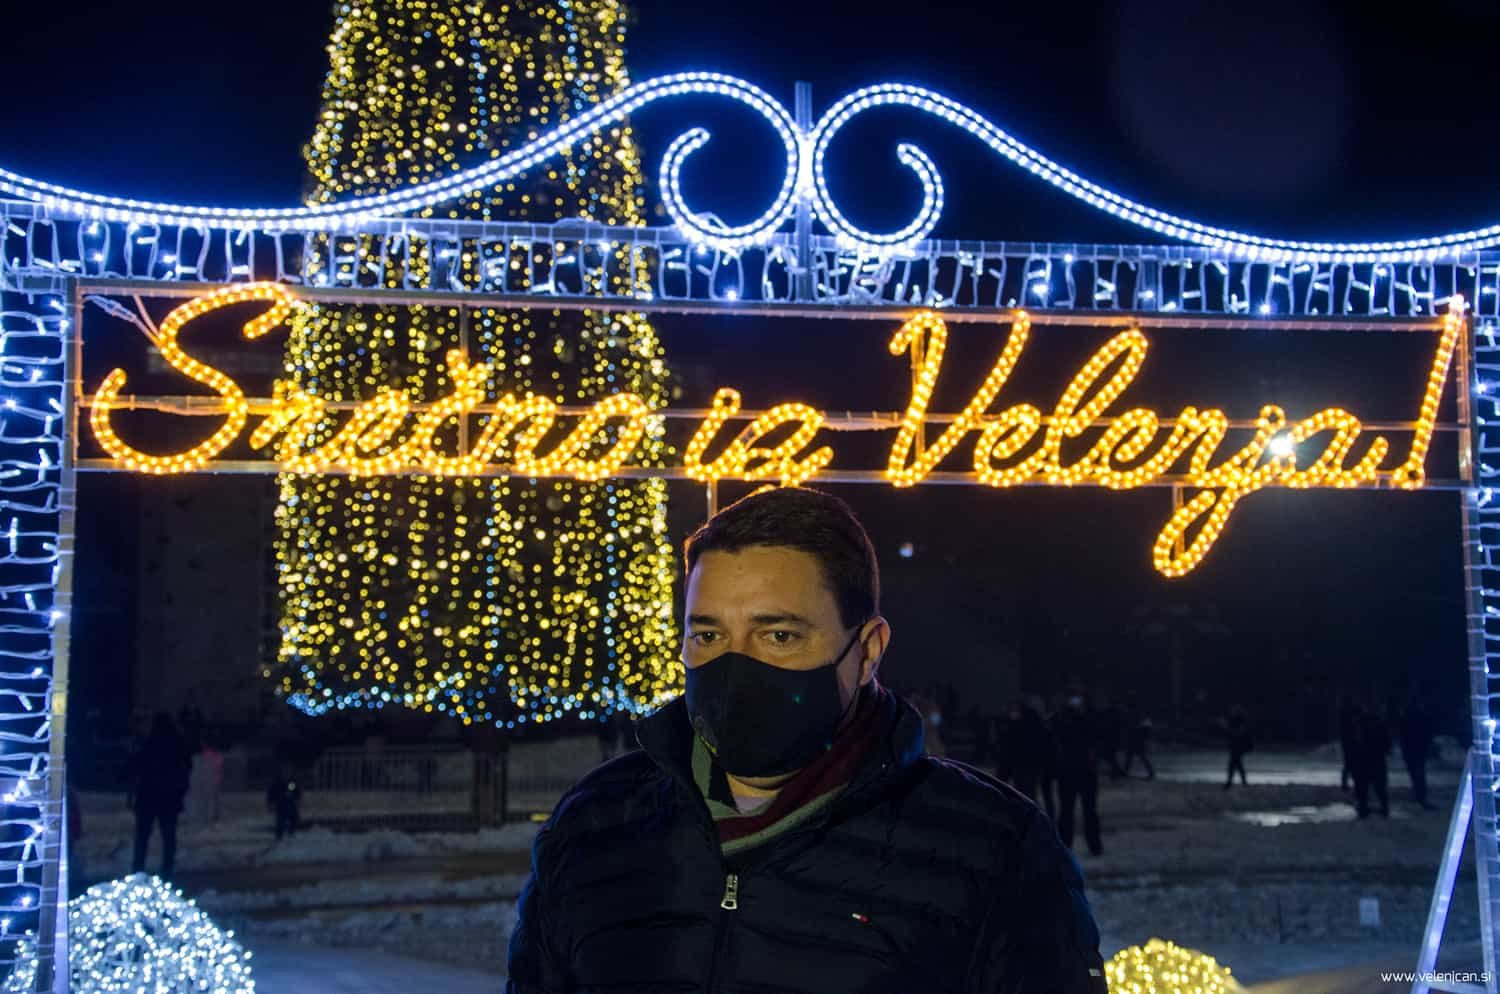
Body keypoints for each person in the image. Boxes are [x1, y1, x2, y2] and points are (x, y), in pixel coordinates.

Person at [506, 487, 1107, 993]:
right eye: (708, 635)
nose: (734, 670)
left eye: (780, 637)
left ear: (867, 650)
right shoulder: (595, 824)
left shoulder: (992, 849)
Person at [130, 713, 191, 879]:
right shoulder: (177, 745)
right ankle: (167, 869)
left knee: (143, 836)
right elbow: (185, 770)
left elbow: (136, 767)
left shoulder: (149, 744)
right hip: (168, 798)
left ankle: (138, 868)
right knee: (168, 836)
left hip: (148, 797)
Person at [1053, 690, 1103, 857]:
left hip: (1077, 771)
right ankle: (1073, 845)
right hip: (1075, 771)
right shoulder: (1065, 719)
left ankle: (1084, 845)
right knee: (1073, 811)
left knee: (1081, 811)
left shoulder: (1080, 718)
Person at [1400, 694, 1436, 811]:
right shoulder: (1420, 716)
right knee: (1418, 773)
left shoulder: (1408, 716)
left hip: (1413, 749)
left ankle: (1419, 794)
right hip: (1417, 749)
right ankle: (1420, 794)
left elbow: (1404, 735)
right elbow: (1427, 732)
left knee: (1416, 773)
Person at [1355, 705, 1391, 819]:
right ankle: (1383, 807)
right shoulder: (1380, 725)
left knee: (1364, 786)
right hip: (1377, 759)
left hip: (1365, 759)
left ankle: (1363, 808)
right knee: (1379, 786)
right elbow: (1387, 742)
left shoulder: (1361, 724)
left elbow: (1357, 741)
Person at [1122, 691, 1154, 779]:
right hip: (1136, 736)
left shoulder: (1133, 711)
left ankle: (1150, 772)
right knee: (1134, 755)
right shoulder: (1136, 710)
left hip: (1135, 736)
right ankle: (1126, 771)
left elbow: (1133, 723)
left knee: (1135, 755)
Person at [267, 764, 303, 840]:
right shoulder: (277, 782)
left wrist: (296, 797)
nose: (286, 773)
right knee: (280, 821)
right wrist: (270, 804)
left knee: (294, 818)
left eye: (288, 772)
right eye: (285, 771)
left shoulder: (291, 782)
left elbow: (296, 791)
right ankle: (279, 837)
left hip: (290, 803)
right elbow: (271, 793)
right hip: (280, 804)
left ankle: (291, 833)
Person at [1223, 705, 1252, 789]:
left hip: (1238, 745)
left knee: (1234, 764)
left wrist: (1226, 727)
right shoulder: (1237, 720)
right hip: (1236, 745)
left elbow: (1237, 733)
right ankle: (1241, 782)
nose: (1232, 711)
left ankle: (1230, 783)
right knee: (1237, 764)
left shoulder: (1239, 720)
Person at [1338, 695, 1361, 792]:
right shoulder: (1348, 714)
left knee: (1349, 763)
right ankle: (1349, 783)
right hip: (1351, 741)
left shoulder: (1344, 713)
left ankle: (1346, 783)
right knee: (1351, 763)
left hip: (1348, 741)